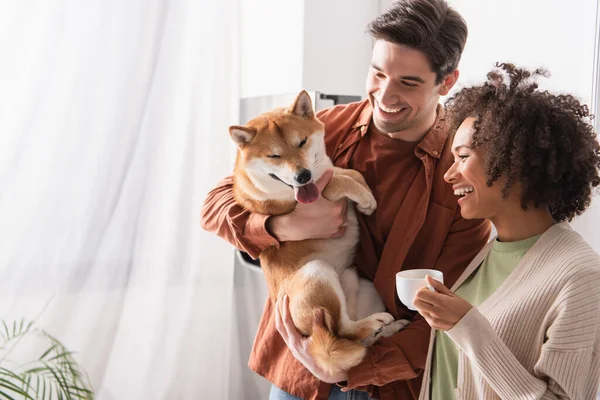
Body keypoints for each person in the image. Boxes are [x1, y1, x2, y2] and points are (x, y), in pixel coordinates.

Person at [200, 0, 492, 399]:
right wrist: (279, 225)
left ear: (447, 81)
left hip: (387, 378)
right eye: (377, 72)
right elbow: (216, 203)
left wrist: (350, 370)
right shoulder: (326, 129)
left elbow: (453, 311)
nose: (384, 95)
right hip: (299, 374)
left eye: (408, 82)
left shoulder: (460, 173)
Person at [413, 63, 600, 399]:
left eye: (464, 156)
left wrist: (469, 328)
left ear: (513, 160)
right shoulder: (490, 248)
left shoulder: (581, 277)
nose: (449, 175)